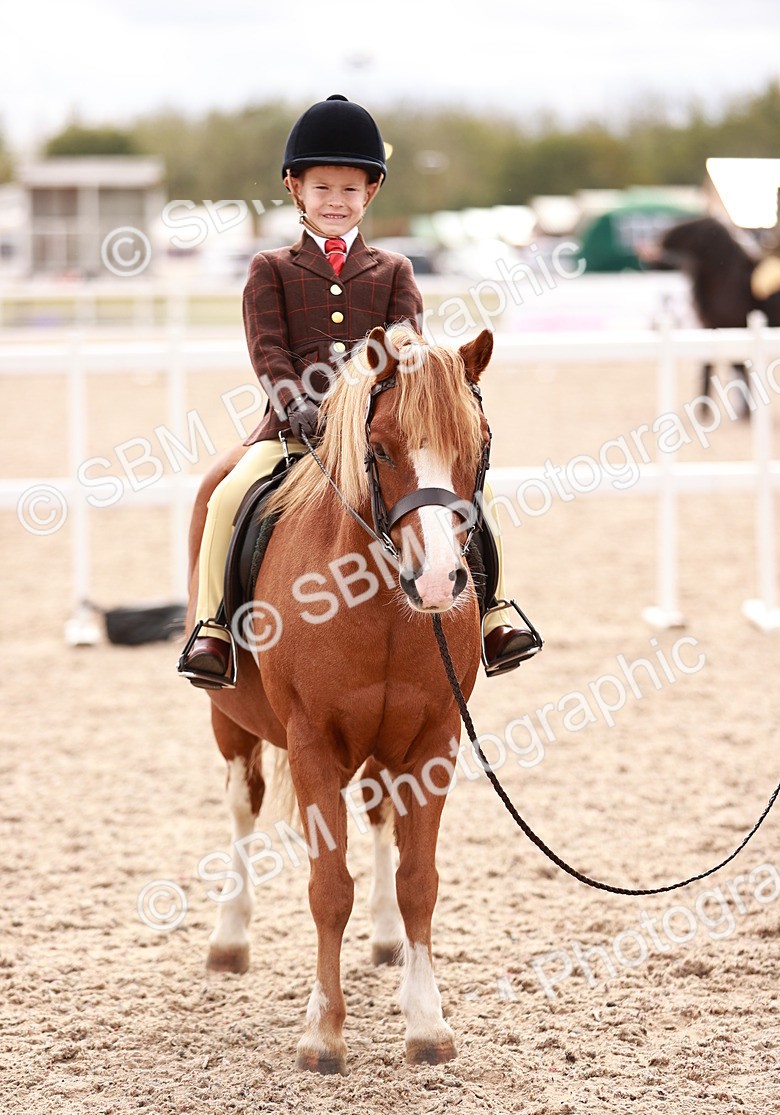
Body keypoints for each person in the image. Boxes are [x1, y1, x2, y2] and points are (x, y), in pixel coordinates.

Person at [178, 95, 540, 688]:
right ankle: (214, 626)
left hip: (378, 437)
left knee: (480, 495)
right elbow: (268, 351)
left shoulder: (394, 270)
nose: (335, 201)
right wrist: (297, 405)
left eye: (349, 190)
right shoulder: (270, 268)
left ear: (370, 193)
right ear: (295, 188)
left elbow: (408, 357)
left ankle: (495, 613)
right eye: (322, 188)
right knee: (226, 496)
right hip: (293, 434)